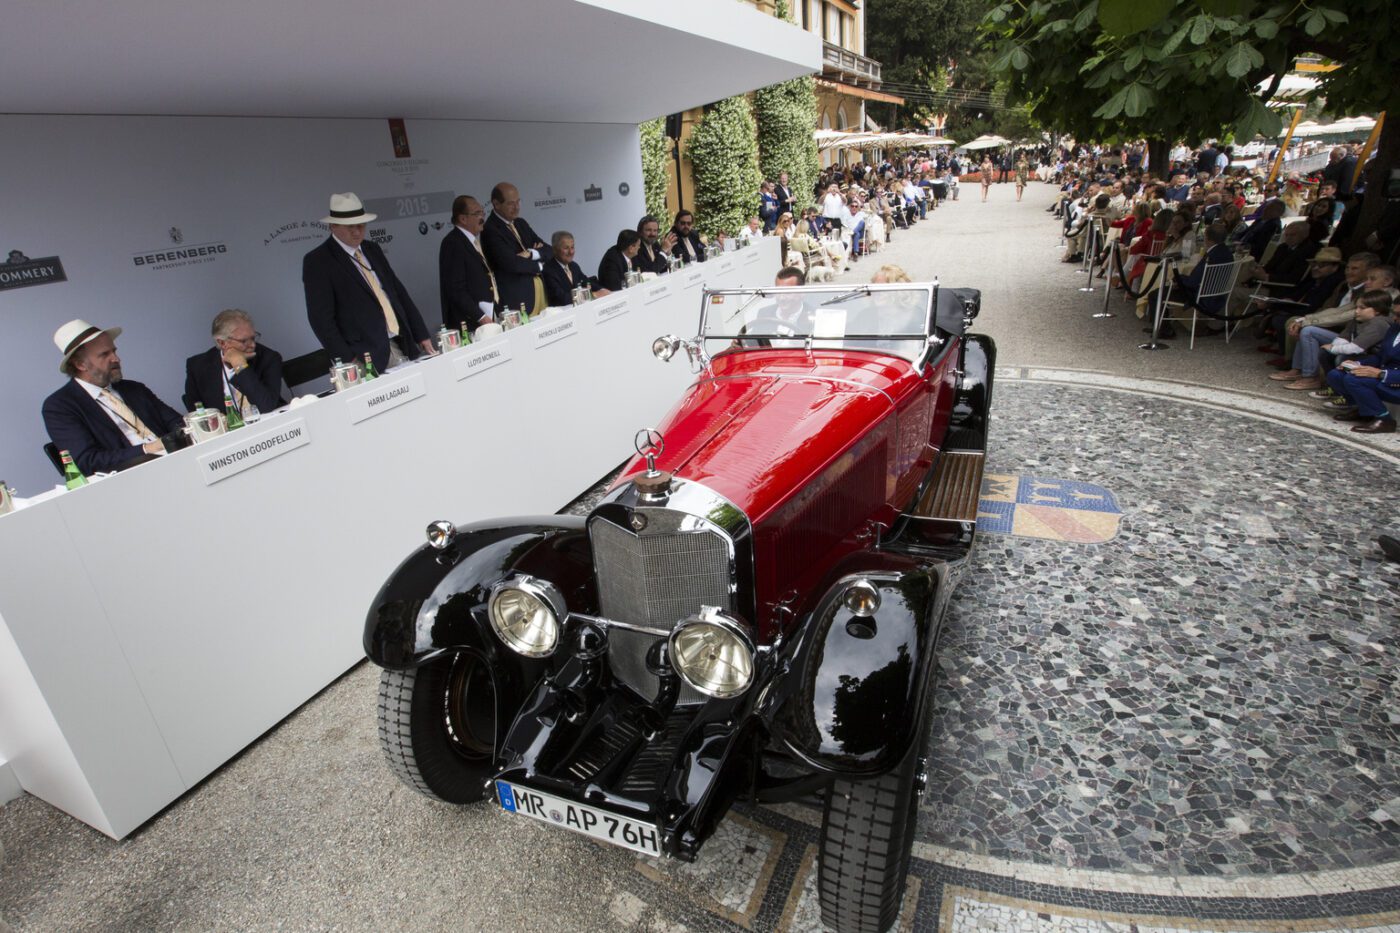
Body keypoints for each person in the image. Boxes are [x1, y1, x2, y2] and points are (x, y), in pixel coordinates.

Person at [303, 192, 435, 373]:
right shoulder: (319, 261)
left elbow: (397, 292)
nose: (357, 231)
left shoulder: (372, 249)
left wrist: (421, 334)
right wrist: (348, 360)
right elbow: (321, 319)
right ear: (333, 226)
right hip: (363, 354)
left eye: (361, 225)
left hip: (400, 340)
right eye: (349, 226)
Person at [42, 319, 184, 475]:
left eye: (114, 351)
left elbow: (176, 422)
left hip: (176, 462)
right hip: (129, 478)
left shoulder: (134, 388)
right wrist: (147, 449)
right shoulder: (60, 406)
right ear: (80, 364)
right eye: (105, 354)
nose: (116, 358)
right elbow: (88, 461)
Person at [183, 309, 286, 416]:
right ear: (222, 343)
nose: (252, 345)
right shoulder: (197, 366)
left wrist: (240, 365)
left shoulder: (269, 358)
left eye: (253, 338)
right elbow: (196, 414)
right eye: (244, 341)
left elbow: (266, 406)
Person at [482, 182, 554, 314]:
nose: (516, 207)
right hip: (518, 301)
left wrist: (531, 253)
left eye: (518, 202)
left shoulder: (521, 223)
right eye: (510, 203)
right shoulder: (490, 230)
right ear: (496, 204)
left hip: (541, 294)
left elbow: (549, 250)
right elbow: (512, 264)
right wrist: (539, 266)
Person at [1325, 307, 1400, 434]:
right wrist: (1357, 364)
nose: (1394, 318)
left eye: (1399, 315)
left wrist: (1381, 374)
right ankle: (1363, 410)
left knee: (1355, 380)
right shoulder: (1395, 328)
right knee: (1336, 375)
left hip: (1394, 381)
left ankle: (1385, 420)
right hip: (1385, 375)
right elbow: (1380, 356)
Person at [438, 195, 499, 333]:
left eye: (482, 212)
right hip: (471, 324)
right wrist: (481, 317)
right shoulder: (453, 243)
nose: (482, 217)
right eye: (477, 213)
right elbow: (456, 289)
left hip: (486, 319)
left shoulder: (471, 241)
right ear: (463, 219)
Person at [541, 231, 607, 307]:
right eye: (566, 248)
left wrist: (602, 290)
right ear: (555, 250)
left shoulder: (574, 266)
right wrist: (592, 294)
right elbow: (562, 298)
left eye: (572, 247)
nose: (571, 252)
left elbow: (586, 282)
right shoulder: (548, 270)